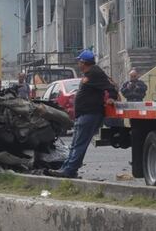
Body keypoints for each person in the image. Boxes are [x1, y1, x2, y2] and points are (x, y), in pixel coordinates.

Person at [45, 50, 117, 179]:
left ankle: (69, 170)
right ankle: (67, 169)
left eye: (79, 61)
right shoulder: (89, 73)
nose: (78, 63)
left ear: (83, 62)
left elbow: (110, 85)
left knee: (79, 144)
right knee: (75, 144)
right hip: (84, 114)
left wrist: (112, 96)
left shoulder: (95, 73)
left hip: (90, 114)